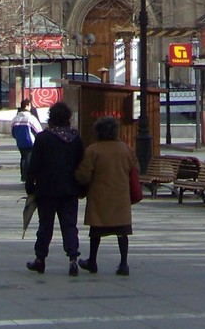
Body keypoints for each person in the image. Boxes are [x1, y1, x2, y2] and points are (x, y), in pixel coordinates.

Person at [23, 101, 84, 277]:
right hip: (70, 189)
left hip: (47, 189)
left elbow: (33, 164)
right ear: (68, 119)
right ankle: (73, 259)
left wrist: (30, 184)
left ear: (51, 119)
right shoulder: (76, 139)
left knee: (45, 226)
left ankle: (40, 259)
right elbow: (82, 164)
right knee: (69, 225)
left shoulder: (43, 138)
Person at [74, 115, 139, 276]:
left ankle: (92, 261)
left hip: (99, 196)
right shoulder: (126, 149)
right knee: (123, 231)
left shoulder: (93, 150)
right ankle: (123, 263)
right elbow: (135, 168)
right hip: (121, 197)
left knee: (96, 231)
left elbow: (84, 175)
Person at [11, 99, 41, 182]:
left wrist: (18, 137)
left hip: (20, 142)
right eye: (30, 105)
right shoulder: (31, 118)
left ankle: (23, 175)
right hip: (30, 142)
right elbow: (38, 131)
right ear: (27, 106)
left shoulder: (15, 119)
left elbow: (13, 132)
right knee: (28, 159)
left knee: (23, 158)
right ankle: (28, 176)